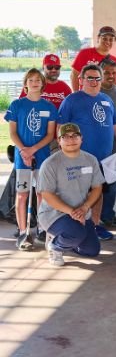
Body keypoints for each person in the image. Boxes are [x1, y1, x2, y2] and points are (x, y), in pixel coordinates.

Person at [58, 64, 116, 241]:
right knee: (78, 195)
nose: (94, 81)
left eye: (97, 78)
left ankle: (95, 226)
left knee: (98, 192)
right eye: (90, 78)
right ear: (81, 80)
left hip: (102, 159)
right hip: (78, 158)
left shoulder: (107, 100)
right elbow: (60, 128)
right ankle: (75, 228)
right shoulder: (72, 100)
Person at [37, 123, 105, 266]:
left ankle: (66, 241)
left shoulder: (91, 160)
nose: (71, 139)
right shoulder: (50, 164)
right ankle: (55, 246)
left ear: (82, 139)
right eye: (65, 137)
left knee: (92, 250)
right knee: (76, 233)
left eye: (75, 136)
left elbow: (97, 188)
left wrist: (85, 208)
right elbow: (47, 195)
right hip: (54, 215)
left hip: (82, 212)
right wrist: (72, 212)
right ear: (59, 140)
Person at [6, 69, 57, 249]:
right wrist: (24, 151)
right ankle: (23, 232)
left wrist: (33, 149)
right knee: (22, 195)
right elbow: (12, 132)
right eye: (31, 80)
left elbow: (51, 134)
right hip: (22, 159)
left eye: (38, 80)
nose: (34, 82)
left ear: (43, 83)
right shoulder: (16, 105)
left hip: (42, 158)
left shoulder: (49, 107)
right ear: (25, 83)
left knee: (42, 193)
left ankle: (43, 228)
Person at [98, 58, 116, 228]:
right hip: (97, 148)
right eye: (107, 72)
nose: (110, 76)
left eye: (113, 73)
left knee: (113, 184)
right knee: (95, 184)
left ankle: (107, 216)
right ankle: (90, 219)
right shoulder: (95, 92)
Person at [70, 26, 116, 91]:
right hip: (86, 95)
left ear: (114, 41)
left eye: (111, 39)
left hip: (105, 98)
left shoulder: (115, 60)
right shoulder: (84, 53)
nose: (108, 42)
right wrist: (76, 94)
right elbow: (74, 75)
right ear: (98, 38)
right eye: (104, 39)